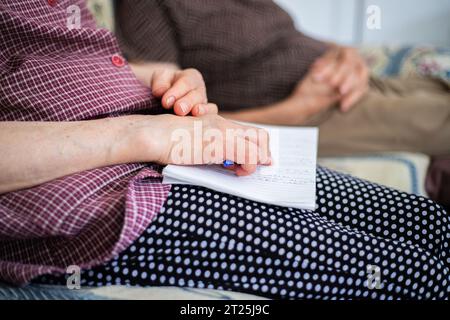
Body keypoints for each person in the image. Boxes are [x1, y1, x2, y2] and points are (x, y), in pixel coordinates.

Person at [0, 0, 449, 300]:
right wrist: (143, 133)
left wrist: (166, 80)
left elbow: (68, 69)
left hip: (165, 146)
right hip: (109, 194)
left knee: (432, 224)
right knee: (419, 276)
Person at [114, 0, 450, 157]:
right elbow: (164, 123)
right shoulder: (148, 6)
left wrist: (346, 55)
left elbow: (289, 38)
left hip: (349, 82)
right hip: (313, 115)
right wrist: (293, 112)